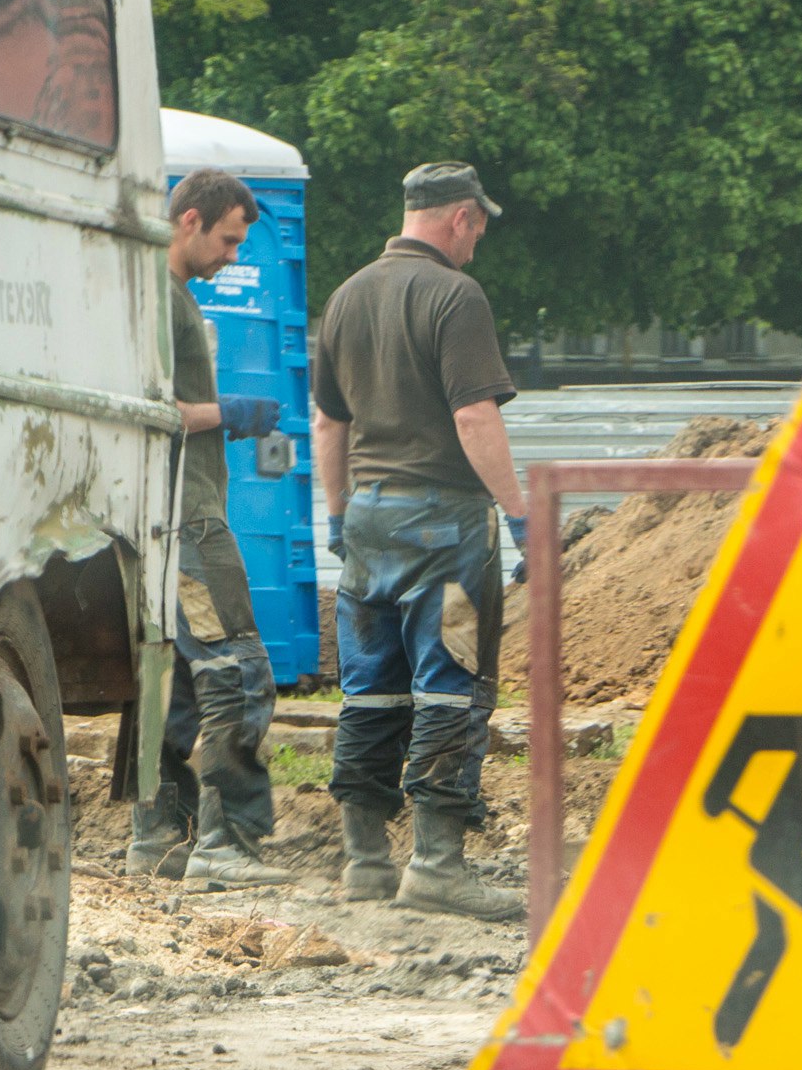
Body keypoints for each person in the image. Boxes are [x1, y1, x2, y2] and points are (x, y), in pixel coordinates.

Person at [311, 162, 529, 921]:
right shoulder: (455, 296)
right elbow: (474, 417)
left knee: (369, 689)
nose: (476, 246)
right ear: (461, 217)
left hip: (368, 519)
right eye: (478, 230)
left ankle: (366, 862)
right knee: (451, 685)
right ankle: (436, 865)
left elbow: (328, 423)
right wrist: (520, 514)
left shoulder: (346, 296)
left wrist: (338, 515)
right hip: (445, 525)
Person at [128, 167, 293, 888]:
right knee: (240, 673)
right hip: (190, 518)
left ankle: (160, 837)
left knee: (177, 685)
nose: (233, 256)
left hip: (161, 515)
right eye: (227, 240)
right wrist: (232, 412)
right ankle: (226, 844)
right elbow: (150, 409)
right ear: (189, 220)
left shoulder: (170, 295)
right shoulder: (159, 298)